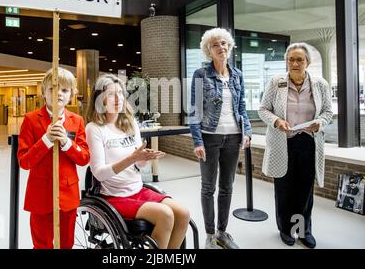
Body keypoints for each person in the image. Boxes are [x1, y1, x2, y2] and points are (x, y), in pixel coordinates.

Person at [85, 74, 190, 249]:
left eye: (120, 93)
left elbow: (138, 165)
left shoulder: (130, 122)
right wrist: (131, 158)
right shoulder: (94, 128)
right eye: (111, 94)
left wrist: (143, 159)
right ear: (100, 99)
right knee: (165, 215)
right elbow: (99, 173)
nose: (118, 98)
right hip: (114, 196)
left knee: (183, 213)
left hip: (137, 189)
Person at [258, 42, 333, 249]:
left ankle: (303, 230)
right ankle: (286, 229)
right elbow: (263, 109)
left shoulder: (320, 84)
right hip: (283, 141)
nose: (295, 63)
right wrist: (276, 121)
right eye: (291, 59)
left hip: (308, 142)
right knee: (284, 189)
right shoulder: (276, 82)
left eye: (299, 59)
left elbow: (328, 111)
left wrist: (321, 123)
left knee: (304, 190)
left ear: (307, 62)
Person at [189, 28, 252, 249]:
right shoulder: (200, 74)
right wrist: (197, 141)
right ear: (209, 50)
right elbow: (195, 110)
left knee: (227, 187)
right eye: (215, 44)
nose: (221, 47)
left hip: (234, 137)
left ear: (230, 47)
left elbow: (242, 107)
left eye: (224, 43)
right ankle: (209, 235)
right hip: (209, 137)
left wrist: (247, 132)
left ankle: (222, 232)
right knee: (208, 187)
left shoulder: (238, 75)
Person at [17, 67, 90, 249]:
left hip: (68, 194)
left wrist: (66, 142)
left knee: (67, 243)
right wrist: (46, 140)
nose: (59, 94)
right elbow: (24, 162)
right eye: (53, 89)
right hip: (40, 194)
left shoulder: (77, 121)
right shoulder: (31, 120)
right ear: (43, 92)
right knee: (42, 244)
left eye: (64, 90)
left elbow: (84, 158)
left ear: (71, 94)